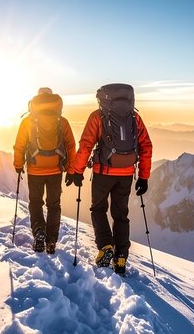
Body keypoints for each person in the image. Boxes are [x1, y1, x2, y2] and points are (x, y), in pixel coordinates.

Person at [65, 83, 152, 275]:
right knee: (121, 214)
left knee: (98, 209)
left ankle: (105, 246)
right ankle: (121, 255)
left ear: (102, 99)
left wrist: (77, 171)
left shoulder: (97, 116)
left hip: (103, 173)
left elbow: (86, 144)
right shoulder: (135, 118)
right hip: (127, 174)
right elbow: (146, 145)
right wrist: (143, 176)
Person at [14, 87, 77, 254]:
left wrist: (18, 165)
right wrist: (71, 170)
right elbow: (71, 146)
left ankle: (39, 232)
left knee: (35, 202)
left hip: (35, 169)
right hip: (56, 169)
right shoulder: (61, 121)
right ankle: (51, 241)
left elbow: (20, 145)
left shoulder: (28, 121)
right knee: (54, 205)